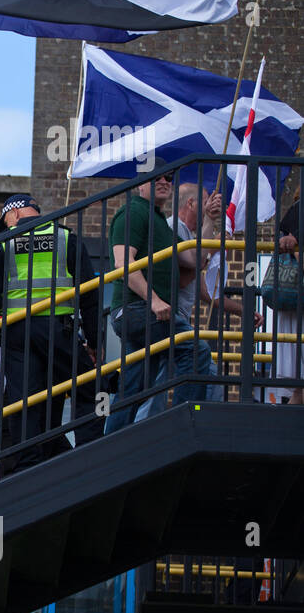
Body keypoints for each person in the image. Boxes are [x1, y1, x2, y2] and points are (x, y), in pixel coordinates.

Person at [0, 194, 103, 474]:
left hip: (17, 334)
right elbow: (90, 295)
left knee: (24, 401)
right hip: (58, 330)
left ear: (12, 215)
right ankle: (91, 448)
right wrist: (96, 342)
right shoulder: (65, 238)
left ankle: (27, 466)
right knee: (91, 387)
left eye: (5, 221)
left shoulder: (1, 244)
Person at [104, 172, 203, 432]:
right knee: (196, 352)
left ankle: (110, 443)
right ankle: (181, 427)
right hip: (137, 310)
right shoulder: (133, 213)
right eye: (156, 178)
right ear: (140, 186)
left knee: (136, 384)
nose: (164, 182)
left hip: (144, 314)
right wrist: (155, 302)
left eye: (169, 178)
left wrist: (210, 221)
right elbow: (123, 264)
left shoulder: (160, 222)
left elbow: (195, 260)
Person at [274, 188, 303, 404]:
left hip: (295, 306)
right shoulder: (297, 210)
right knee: (299, 387)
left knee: (299, 388)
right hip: (297, 304)